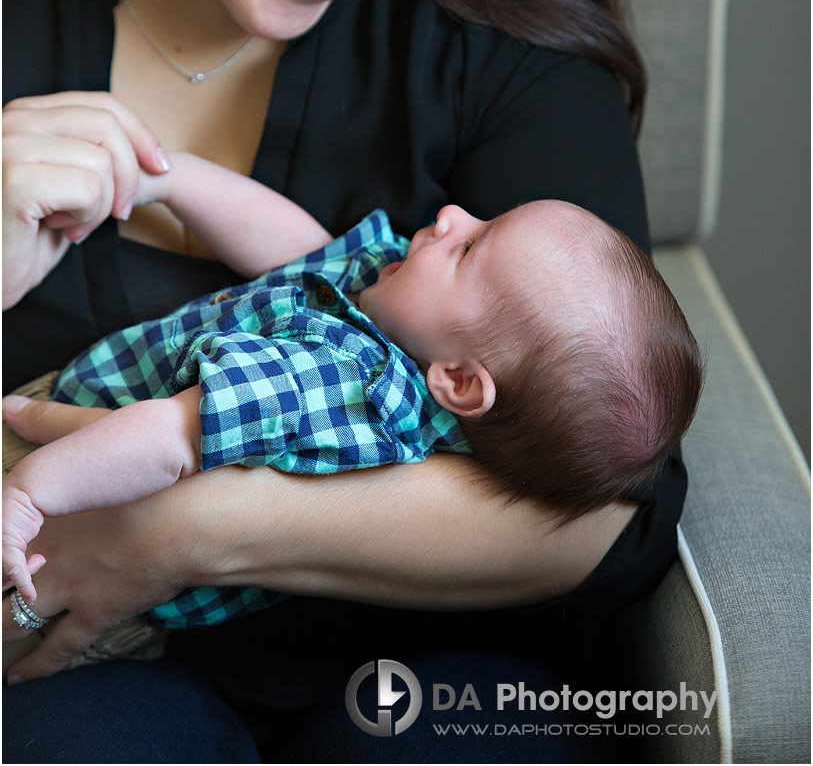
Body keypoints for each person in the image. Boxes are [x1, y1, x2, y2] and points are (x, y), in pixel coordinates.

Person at [2, 0, 689, 762]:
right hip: (69, 659)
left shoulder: (507, 55)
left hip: (423, 660)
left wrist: (191, 527)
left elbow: (616, 505)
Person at [3, 155, 703, 624]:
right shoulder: (395, 300)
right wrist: (170, 178)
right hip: (78, 441)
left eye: (468, 247)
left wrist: (29, 495)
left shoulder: (344, 390)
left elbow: (169, 440)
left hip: (70, 494)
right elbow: (296, 252)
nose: (453, 214)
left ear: (457, 381)